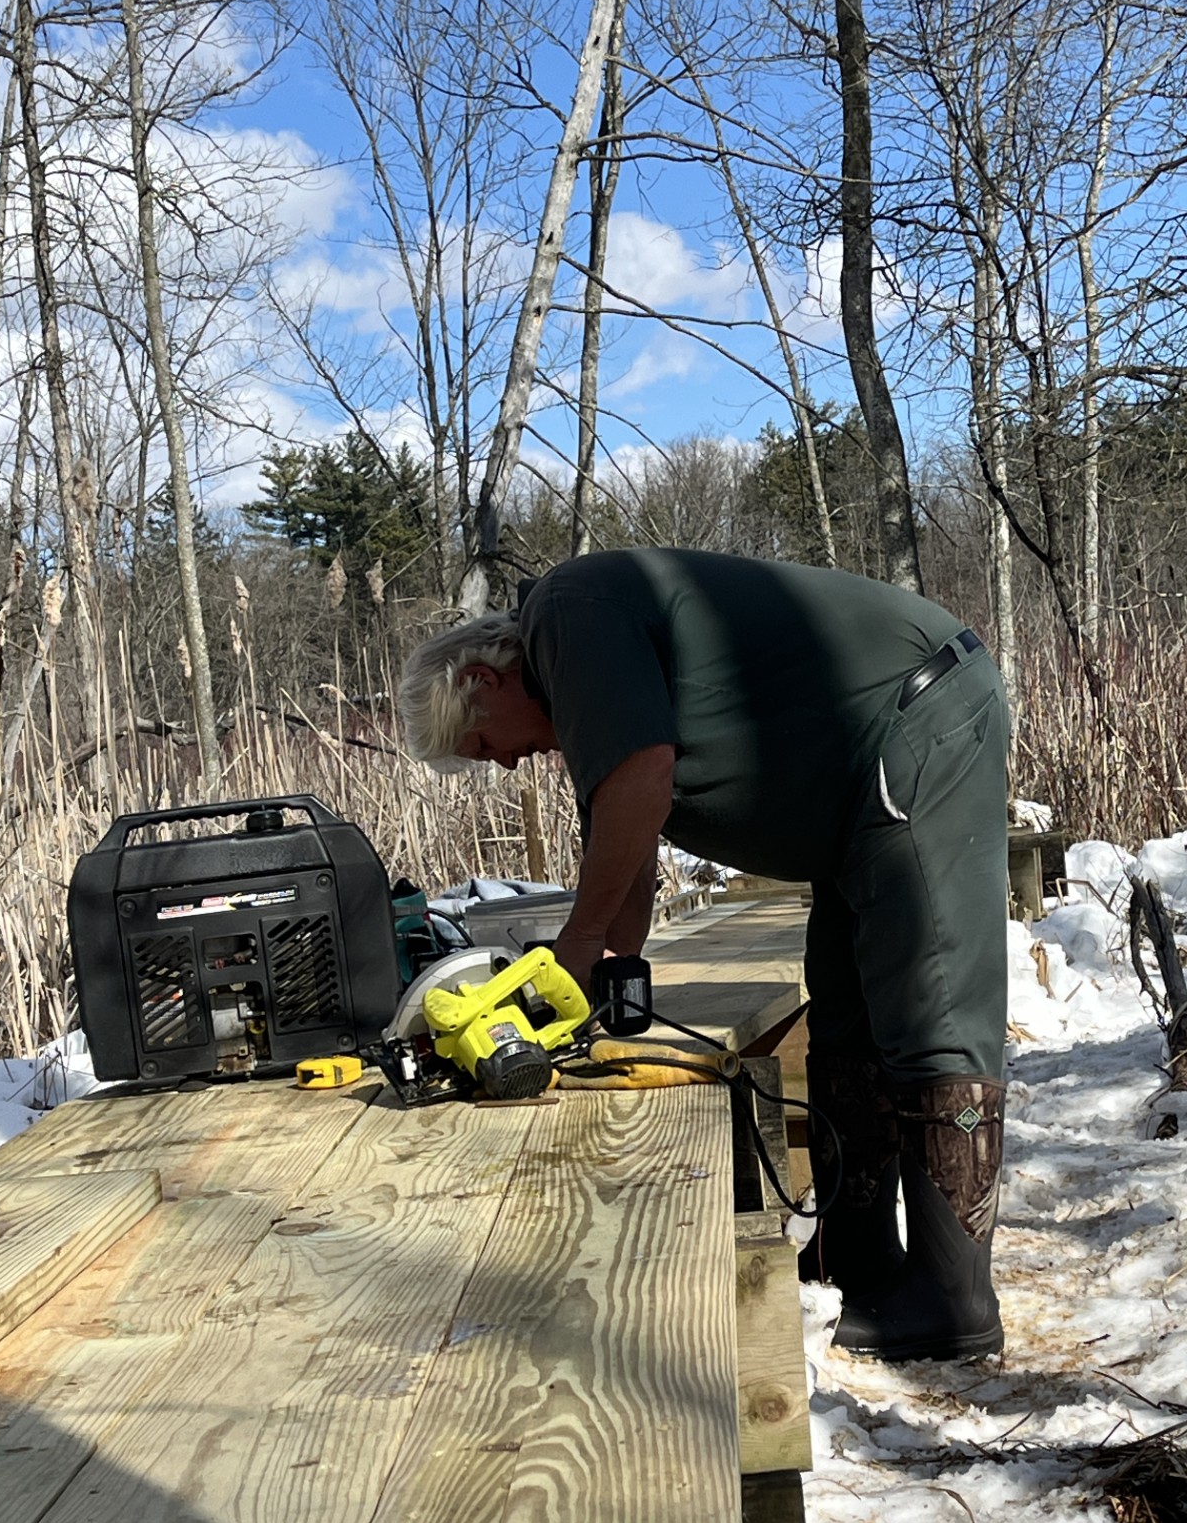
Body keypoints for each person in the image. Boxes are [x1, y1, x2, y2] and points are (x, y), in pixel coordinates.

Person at [398, 548, 1009, 1363]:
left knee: (932, 1006)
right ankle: (858, 1257)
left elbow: (644, 781)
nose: (507, 763)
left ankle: (951, 1303)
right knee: (848, 1007)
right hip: (857, 782)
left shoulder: (568, 615)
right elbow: (630, 831)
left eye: (484, 747)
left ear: (481, 678)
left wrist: (577, 950)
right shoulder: (579, 660)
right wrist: (607, 978)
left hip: (917, 717)